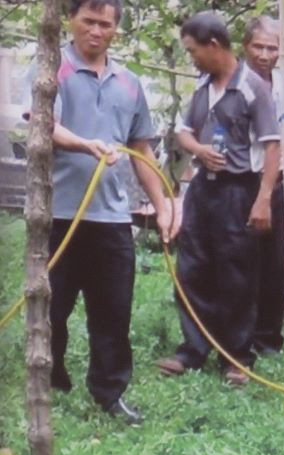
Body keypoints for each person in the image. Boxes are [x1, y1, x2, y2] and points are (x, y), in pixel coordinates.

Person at [47, 0, 175, 425]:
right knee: (51, 307)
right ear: (71, 21)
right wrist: (86, 144)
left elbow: (141, 147)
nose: (96, 31)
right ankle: (49, 378)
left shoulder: (130, 83)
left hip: (111, 219)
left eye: (106, 24)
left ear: (116, 29)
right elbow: (42, 125)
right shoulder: (52, 69)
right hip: (57, 215)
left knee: (113, 310)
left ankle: (110, 392)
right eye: (88, 21)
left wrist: (163, 206)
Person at [157, 12, 280, 385]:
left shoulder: (252, 88)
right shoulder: (202, 85)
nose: (191, 57)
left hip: (237, 191)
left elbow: (273, 147)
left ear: (214, 46)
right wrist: (200, 149)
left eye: (193, 50)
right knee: (192, 268)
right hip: (202, 189)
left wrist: (262, 200)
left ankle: (236, 357)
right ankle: (192, 351)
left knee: (236, 273)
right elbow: (184, 133)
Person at [242, 15, 284, 356]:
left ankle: (269, 337)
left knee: (277, 263)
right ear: (245, 47)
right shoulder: (232, 83)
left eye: (272, 48)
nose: (264, 54)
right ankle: (238, 335)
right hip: (242, 180)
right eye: (258, 46)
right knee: (241, 260)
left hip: (280, 180)